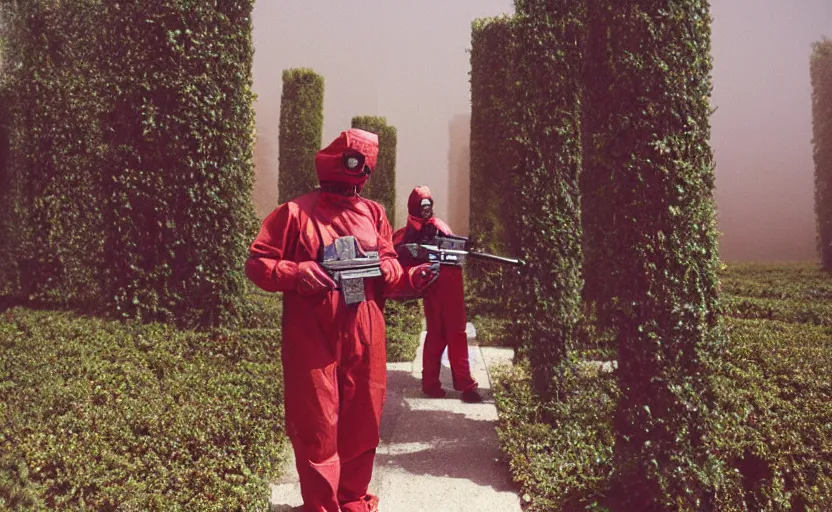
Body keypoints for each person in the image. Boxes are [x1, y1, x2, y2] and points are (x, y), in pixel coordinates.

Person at [245, 129, 438, 512]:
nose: (359, 171)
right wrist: (295, 272)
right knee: (317, 424)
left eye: (365, 164)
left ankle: (351, 500)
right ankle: (320, 505)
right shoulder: (295, 213)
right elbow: (257, 263)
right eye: (354, 161)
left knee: (363, 418)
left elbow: (390, 266)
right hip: (312, 334)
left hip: (366, 329)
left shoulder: (374, 214)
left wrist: (409, 277)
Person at [392, 185, 483, 403]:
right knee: (453, 333)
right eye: (422, 205)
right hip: (441, 284)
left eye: (428, 205)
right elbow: (399, 254)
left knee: (438, 334)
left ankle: (431, 383)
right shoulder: (414, 232)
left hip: (439, 283)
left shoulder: (432, 228)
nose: (426, 210)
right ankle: (465, 385)